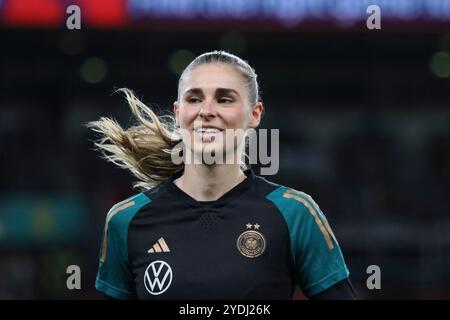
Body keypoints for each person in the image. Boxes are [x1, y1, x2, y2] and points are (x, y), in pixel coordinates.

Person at [88, 51, 356, 300]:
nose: (206, 111)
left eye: (224, 99)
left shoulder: (295, 213)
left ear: (254, 114)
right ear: (179, 113)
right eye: (194, 99)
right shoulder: (125, 220)